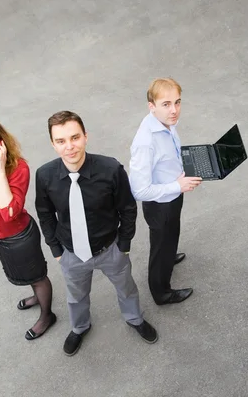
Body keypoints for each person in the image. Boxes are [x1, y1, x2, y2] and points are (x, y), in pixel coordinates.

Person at [35, 110, 158, 356]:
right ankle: (79, 327)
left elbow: (128, 208)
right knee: (76, 296)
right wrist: (56, 250)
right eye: (61, 141)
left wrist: (124, 244)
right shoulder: (45, 175)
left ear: (85, 137)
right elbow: (45, 214)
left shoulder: (110, 169)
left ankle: (134, 318)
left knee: (127, 288)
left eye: (74, 137)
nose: (69, 147)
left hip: (110, 248)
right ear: (52, 143)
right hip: (71, 253)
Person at [0, 114, 56, 341]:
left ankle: (47, 315)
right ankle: (36, 297)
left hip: (18, 237)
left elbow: (9, 212)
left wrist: (0, 170)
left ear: (1, 142)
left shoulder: (18, 168)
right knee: (24, 275)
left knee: (37, 276)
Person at [128, 78, 203, 305]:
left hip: (173, 194)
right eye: (166, 104)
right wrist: (177, 186)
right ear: (152, 106)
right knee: (161, 245)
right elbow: (139, 190)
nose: (174, 110)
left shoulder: (165, 123)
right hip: (160, 202)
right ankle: (161, 292)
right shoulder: (145, 142)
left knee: (171, 236)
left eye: (178, 102)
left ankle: (169, 258)